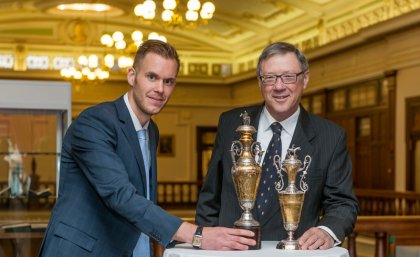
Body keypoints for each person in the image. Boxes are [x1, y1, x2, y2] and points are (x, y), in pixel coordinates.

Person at [38, 40, 255, 257]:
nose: (160, 89)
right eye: (152, 77)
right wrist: (197, 234)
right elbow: (120, 196)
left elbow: (144, 199)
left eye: (168, 81)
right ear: (132, 76)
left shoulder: (152, 131)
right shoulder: (94, 122)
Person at [196, 41, 359, 250]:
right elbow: (210, 196)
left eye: (289, 77)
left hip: (295, 254)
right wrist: (206, 245)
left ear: (305, 79)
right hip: (230, 252)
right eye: (270, 78)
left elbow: (343, 203)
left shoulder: (330, 136)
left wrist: (327, 230)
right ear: (259, 82)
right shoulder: (230, 124)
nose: (279, 86)